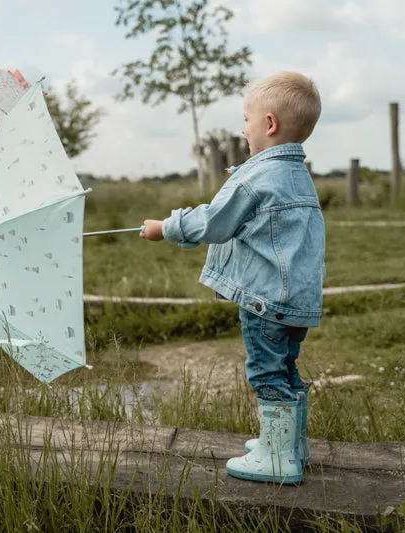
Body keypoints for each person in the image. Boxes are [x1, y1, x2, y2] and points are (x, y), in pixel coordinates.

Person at [140, 72, 324, 484]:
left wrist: (165, 228)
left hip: (265, 300)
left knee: (265, 373)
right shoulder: (298, 176)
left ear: (270, 124)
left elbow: (215, 222)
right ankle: (291, 445)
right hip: (296, 300)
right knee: (286, 368)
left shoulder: (256, 176)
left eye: (246, 120)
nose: (243, 129)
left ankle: (277, 459)